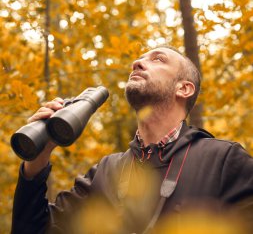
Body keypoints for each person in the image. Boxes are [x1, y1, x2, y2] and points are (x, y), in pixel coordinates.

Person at [11, 46, 253, 234]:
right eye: (139, 59)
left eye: (157, 59)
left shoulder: (224, 161)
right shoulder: (105, 172)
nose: (137, 63)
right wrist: (37, 162)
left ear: (184, 88)